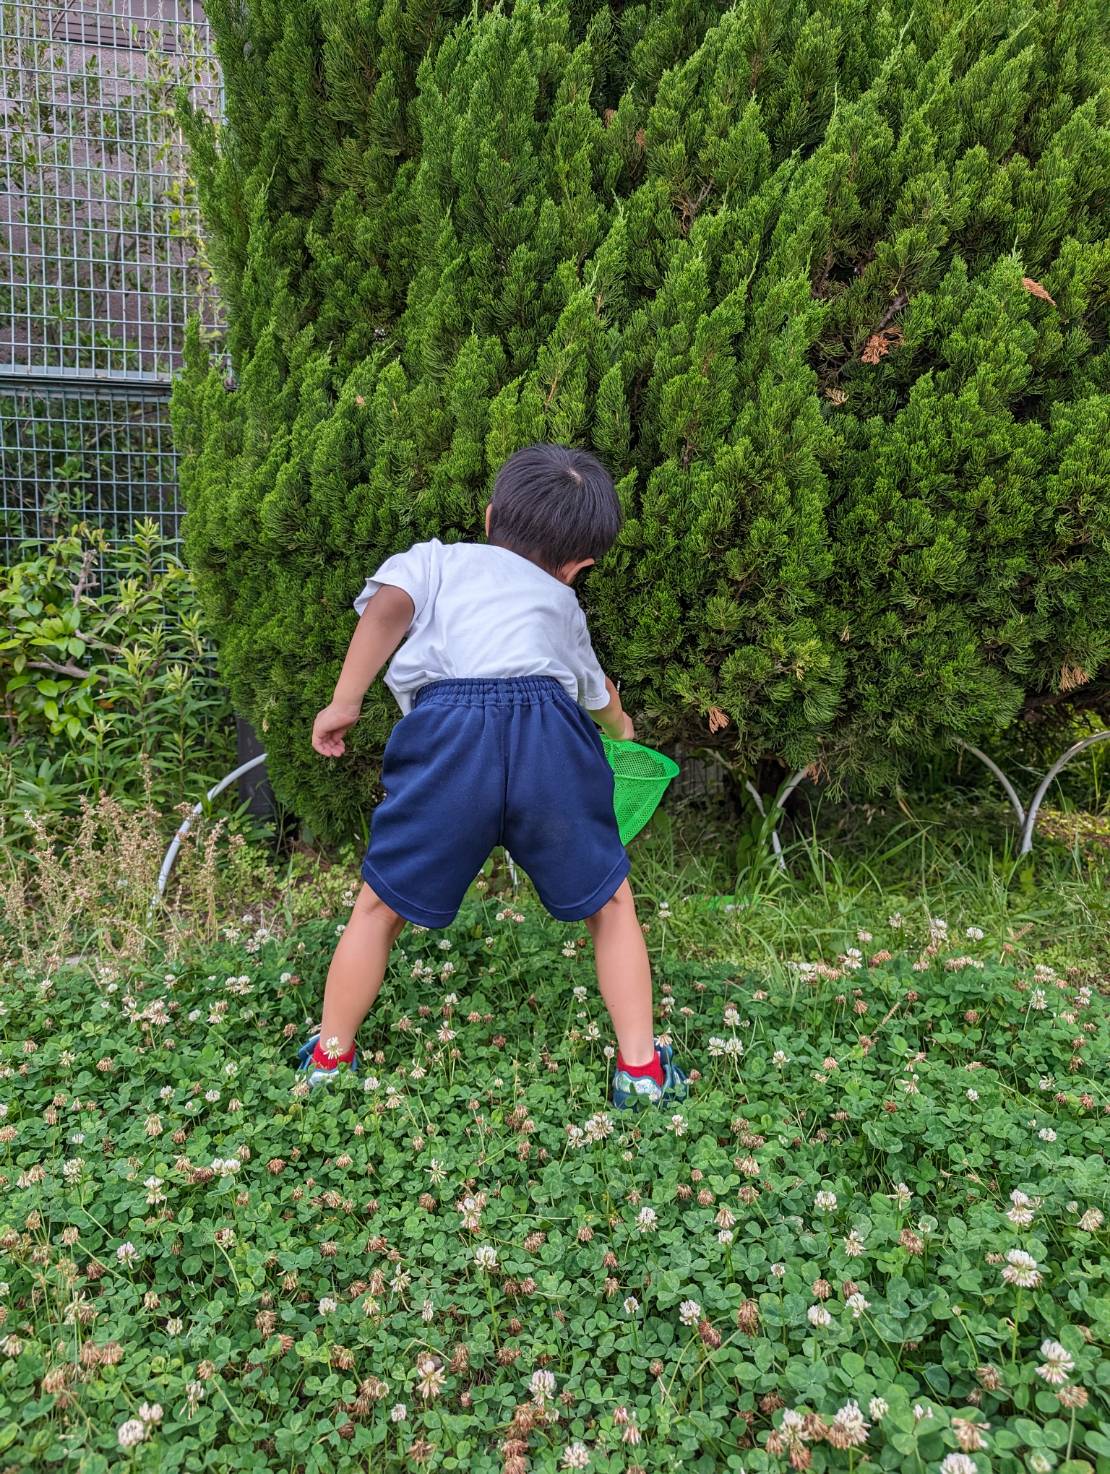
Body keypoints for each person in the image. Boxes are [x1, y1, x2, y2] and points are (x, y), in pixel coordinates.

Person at [297, 443, 688, 1109]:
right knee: (611, 902)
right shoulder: (563, 606)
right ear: (580, 566)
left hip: (450, 737)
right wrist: (622, 733)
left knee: (378, 905)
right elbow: (598, 697)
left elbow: (387, 605)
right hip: (550, 738)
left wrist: (346, 699)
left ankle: (331, 1056)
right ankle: (641, 1070)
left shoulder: (435, 562)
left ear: (488, 517)